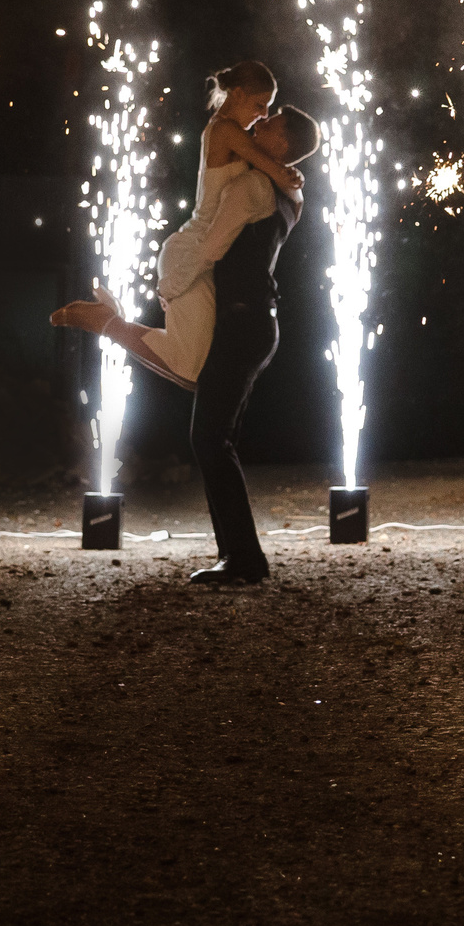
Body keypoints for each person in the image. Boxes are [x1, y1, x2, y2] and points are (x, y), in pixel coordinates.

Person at [51, 61, 305, 386]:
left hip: (203, 256)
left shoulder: (238, 134)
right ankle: (106, 322)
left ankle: (108, 320)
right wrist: (290, 174)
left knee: (193, 371)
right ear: (237, 94)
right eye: (259, 105)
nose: (262, 116)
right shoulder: (224, 129)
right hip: (192, 252)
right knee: (190, 369)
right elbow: (270, 164)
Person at [187, 105, 320, 584]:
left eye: (270, 122)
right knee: (216, 439)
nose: (257, 123)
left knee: (209, 438)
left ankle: (243, 558)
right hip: (258, 322)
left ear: (281, 145)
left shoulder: (250, 187)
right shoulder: (289, 192)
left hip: (243, 323)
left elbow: (211, 247)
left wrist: (173, 274)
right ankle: (238, 555)